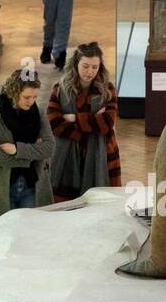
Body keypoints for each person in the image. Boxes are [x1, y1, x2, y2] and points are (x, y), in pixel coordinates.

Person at [0, 68, 54, 229]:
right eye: (26, 97)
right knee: (3, 234)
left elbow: (49, 147)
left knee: (32, 233)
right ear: (13, 92)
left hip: (32, 185)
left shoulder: (38, 114)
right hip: (1, 185)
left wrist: (17, 150)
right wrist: (31, 153)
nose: (31, 102)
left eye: (35, 97)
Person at [47, 42, 120, 202]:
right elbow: (54, 123)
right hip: (67, 155)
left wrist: (74, 118)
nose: (90, 72)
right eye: (85, 66)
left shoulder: (107, 90)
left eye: (95, 67)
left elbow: (107, 122)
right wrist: (92, 122)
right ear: (76, 64)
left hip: (102, 153)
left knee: (99, 205)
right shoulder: (60, 88)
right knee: (66, 207)